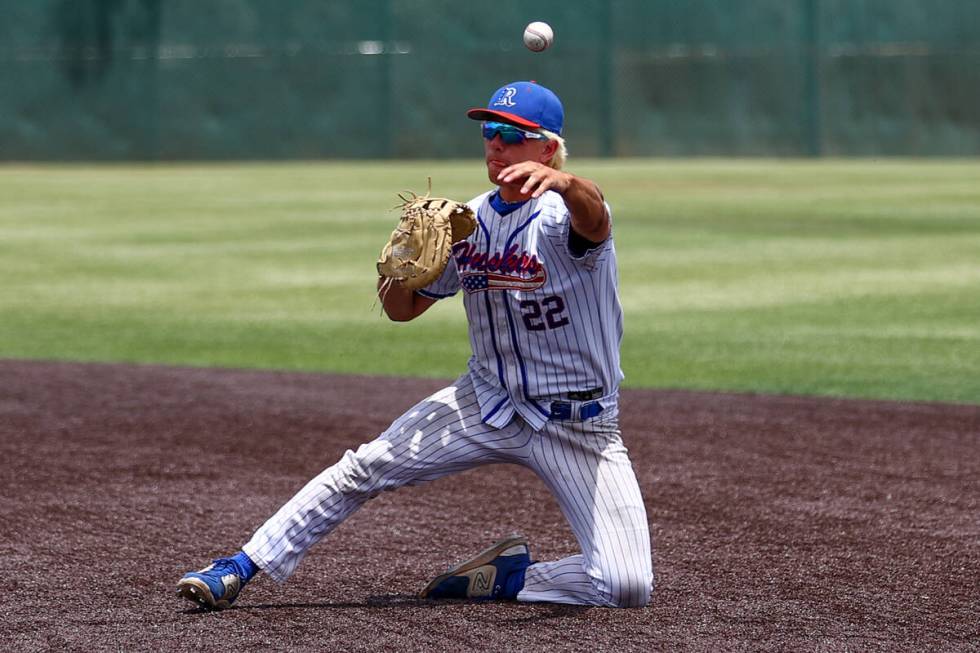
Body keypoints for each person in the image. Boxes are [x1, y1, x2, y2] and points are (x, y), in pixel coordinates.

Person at [177, 80, 653, 610]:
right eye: (488, 133)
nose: (494, 145)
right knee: (366, 465)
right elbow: (401, 311)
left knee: (626, 587)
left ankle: (507, 578)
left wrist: (565, 183)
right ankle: (239, 566)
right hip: (487, 401)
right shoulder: (466, 222)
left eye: (509, 135)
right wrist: (399, 268)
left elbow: (595, 214)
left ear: (547, 148)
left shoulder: (567, 217)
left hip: (579, 424)